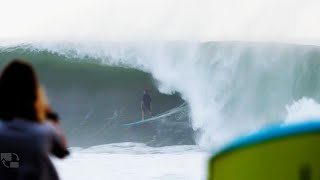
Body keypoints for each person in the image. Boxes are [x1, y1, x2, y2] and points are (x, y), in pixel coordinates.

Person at [0, 60, 69, 180]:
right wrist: (51, 117)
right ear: (33, 92)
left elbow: (13, 161)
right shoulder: (45, 131)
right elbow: (62, 152)